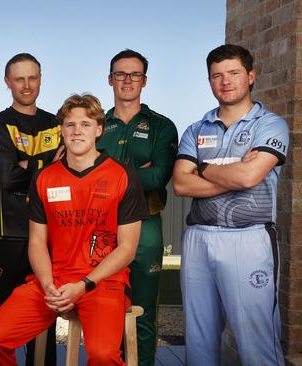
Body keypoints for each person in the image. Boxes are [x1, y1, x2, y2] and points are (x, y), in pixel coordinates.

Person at [0, 93, 148, 365]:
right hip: (53, 281)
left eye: (85, 124)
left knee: (104, 354)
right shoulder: (44, 178)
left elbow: (127, 248)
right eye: (70, 125)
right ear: (61, 130)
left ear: (99, 130)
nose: (77, 131)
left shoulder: (122, 176)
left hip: (102, 282)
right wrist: (47, 284)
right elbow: (36, 241)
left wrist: (83, 284)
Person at [173, 44, 288, 365]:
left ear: (250, 76)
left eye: (234, 73)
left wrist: (204, 167)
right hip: (198, 238)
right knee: (199, 341)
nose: (225, 82)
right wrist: (232, 170)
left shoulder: (270, 124)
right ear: (210, 81)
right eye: (216, 76)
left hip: (249, 238)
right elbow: (181, 183)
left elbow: (250, 177)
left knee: (256, 342)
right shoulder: (196, 130)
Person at [96, 49, 178, 366]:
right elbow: (84, 179)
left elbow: (158, 177)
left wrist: (106, 173)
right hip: (101, 228)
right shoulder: (95, 124)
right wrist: (135, 172)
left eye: (134, 74)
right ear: (110, 79)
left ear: (144, 80)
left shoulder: (161, 126)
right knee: (104, 308)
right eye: (120, 73)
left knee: (142, 310)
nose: (127, 80)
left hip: (147, 225)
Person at [0, 53, 62, 365]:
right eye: (19, 79)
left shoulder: (56, 123)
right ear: (8, 82)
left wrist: (26, 164)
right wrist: (47, 164)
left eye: (33, 78)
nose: (27, 85)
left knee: (45, 319)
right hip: (8, 233)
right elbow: (5, 177)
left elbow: (67, 169)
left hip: (48, 234)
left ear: (41, 79)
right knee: (0, 323)